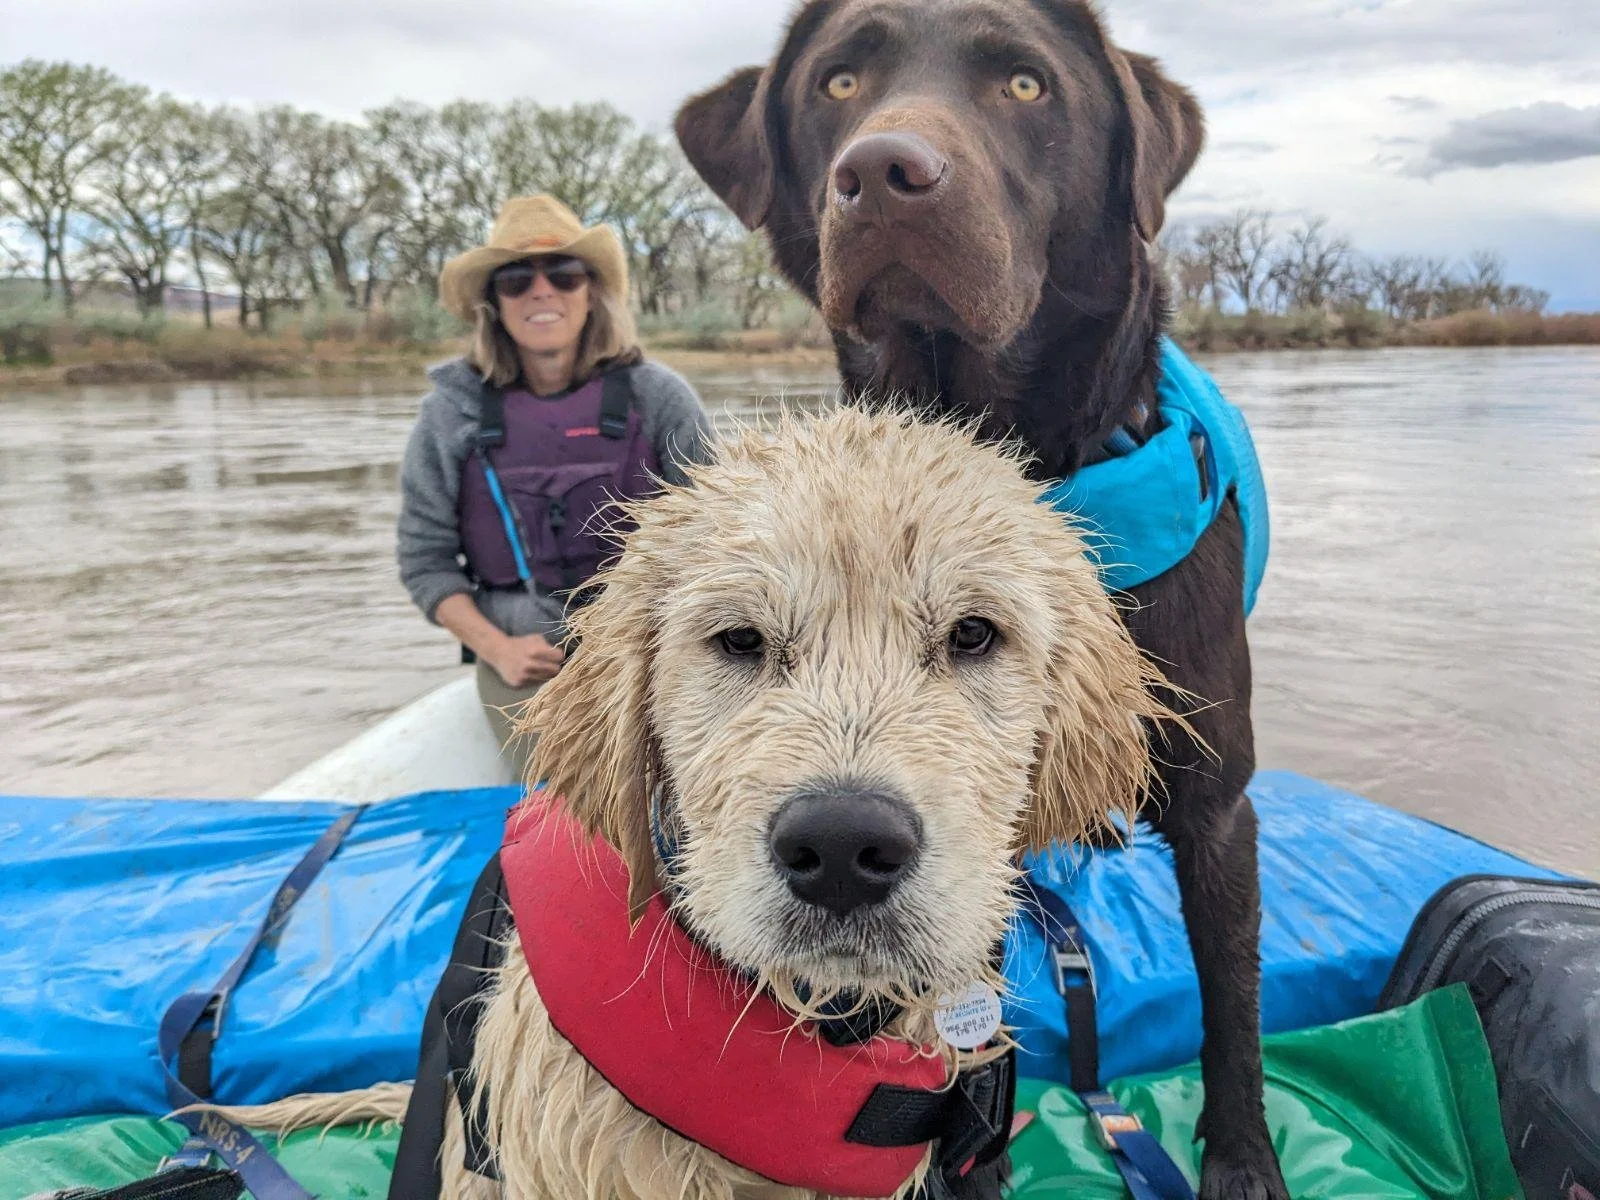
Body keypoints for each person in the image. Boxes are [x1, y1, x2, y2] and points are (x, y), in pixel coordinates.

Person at [398, 195, 713, 774]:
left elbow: (722, 534)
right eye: (516, 280)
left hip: (645, 652)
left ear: (590, 291)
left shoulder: (659, 396)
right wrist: (498, 649)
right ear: (494, 302)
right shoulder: (450, 414)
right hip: (524, 657)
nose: (541, 291)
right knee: (566, 811)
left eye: (564, 275)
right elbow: (425, 562)